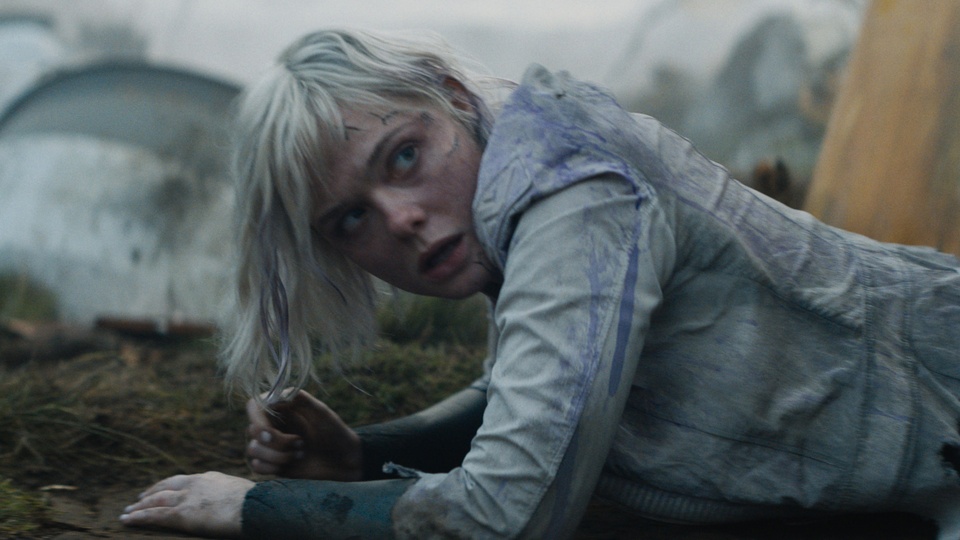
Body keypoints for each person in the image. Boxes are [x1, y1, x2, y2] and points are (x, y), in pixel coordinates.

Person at [119, 28, 960, 539]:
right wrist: (363, 453)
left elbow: (504, 512)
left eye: (404, 156)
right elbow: (527, 394)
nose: (400, 220)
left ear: (453, 97)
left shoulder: (570, 197)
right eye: (349, 220)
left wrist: (251, 510)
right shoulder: (518, 179)